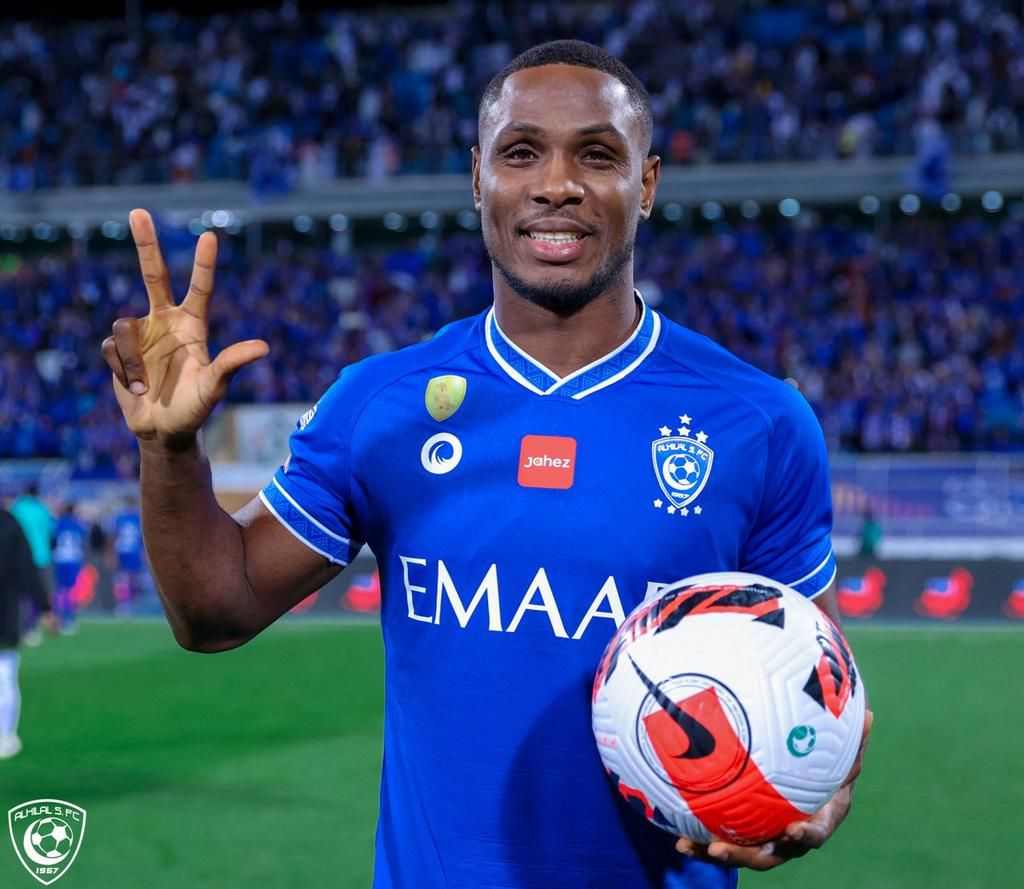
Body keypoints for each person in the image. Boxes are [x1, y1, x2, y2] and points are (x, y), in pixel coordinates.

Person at [102, 40, 870, 889]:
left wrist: (819, 792)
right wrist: (169, 449)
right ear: (478, 179)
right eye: (521, 152)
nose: (555, 184)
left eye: (598, 155)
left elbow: (816, 683)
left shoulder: (760, 420)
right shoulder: (380, 403)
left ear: (647, 185)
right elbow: (215, 610)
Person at [0, 508, 57, 759]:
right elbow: (26, 570)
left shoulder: (10, 524)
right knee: (4, 675)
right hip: (4, 613)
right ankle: (5, 736)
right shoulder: (9, 524)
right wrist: (45, 608)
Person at [10, 483, 55, 645]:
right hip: (42, 555)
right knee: (40, 592)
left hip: (19, 556)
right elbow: (52, 530)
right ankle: (36, 626)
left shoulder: (16, 507)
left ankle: (24, 628)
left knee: (21, 596)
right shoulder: (42, 508)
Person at [53, 504, 89, 632]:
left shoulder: (58, 523)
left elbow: (52, 539)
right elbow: (84, 541)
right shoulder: (78, 524)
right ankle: (69, 619)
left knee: (60, 590)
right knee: (70, 590)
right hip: (73, 559)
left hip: (60, 558)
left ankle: (59, 618)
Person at [111, 499, 144, 616]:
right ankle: (126, 604)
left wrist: (112, 552)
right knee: (130, 578)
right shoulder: (138, 518)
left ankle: (124, 604)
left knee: (123, 578)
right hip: (133, 550)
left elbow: (114, 535)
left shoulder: (120, 517)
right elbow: (142, 538)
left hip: (122, 550)